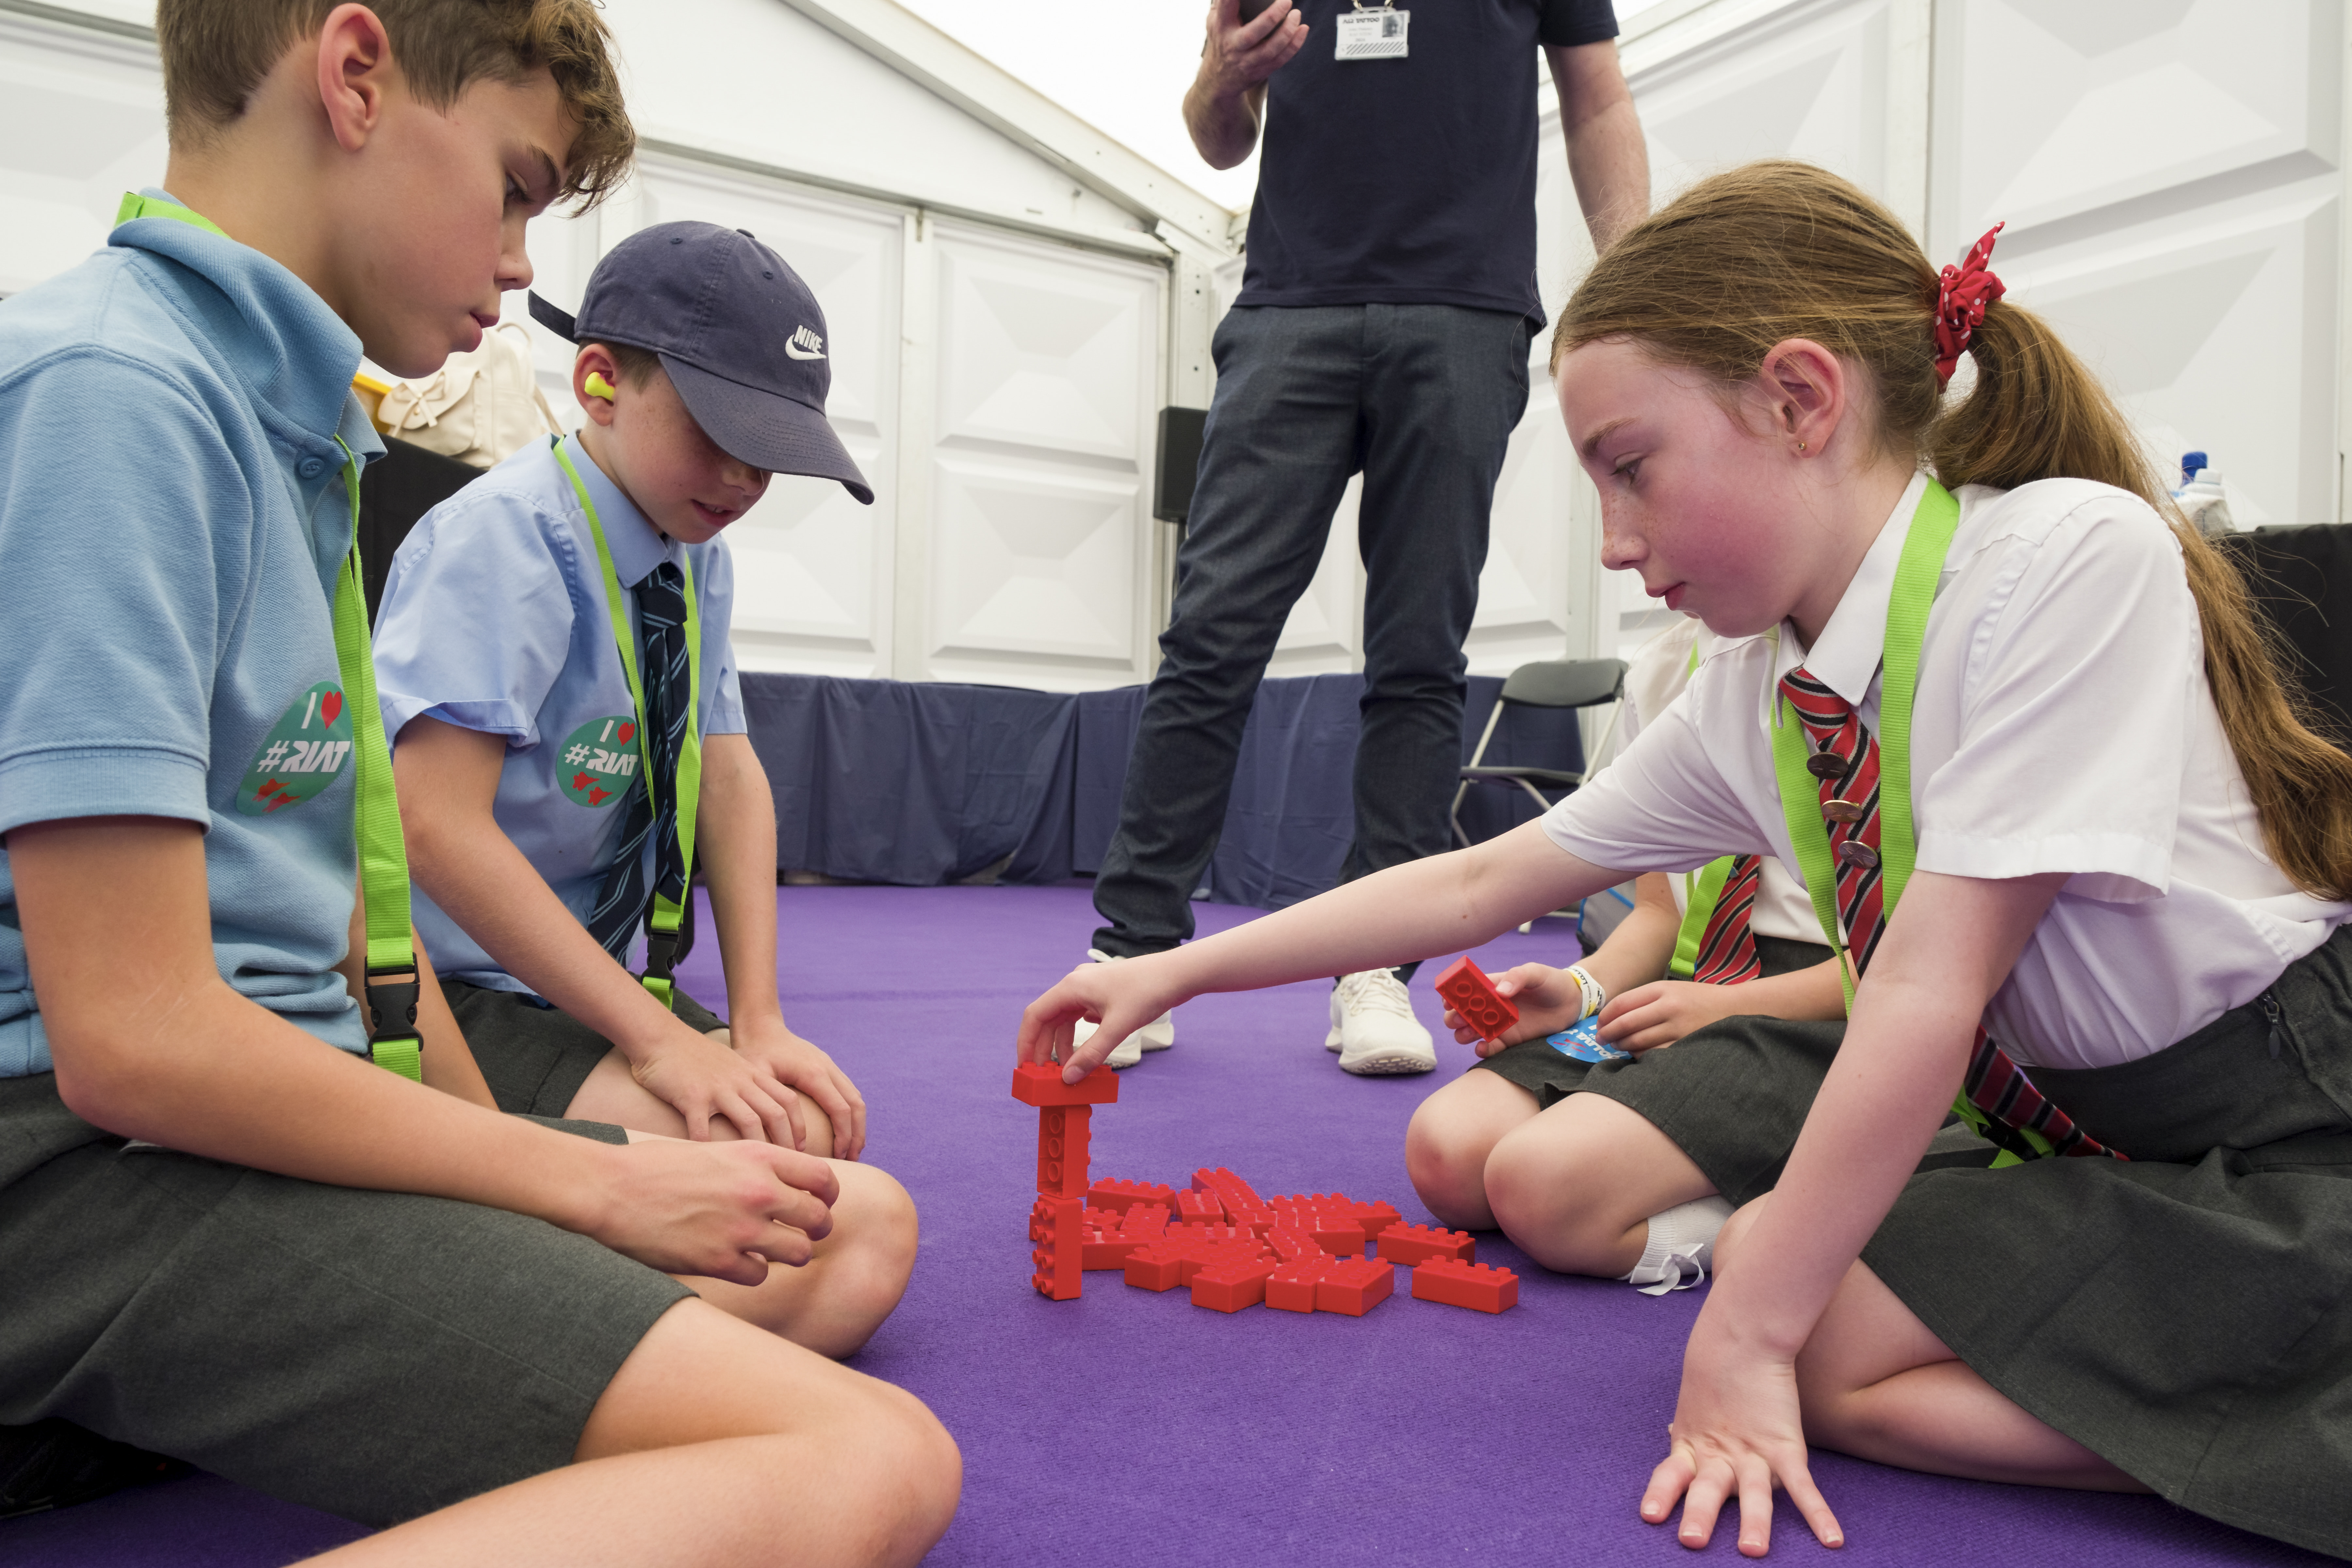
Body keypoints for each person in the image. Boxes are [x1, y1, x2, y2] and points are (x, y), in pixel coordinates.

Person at [1021, 159, 2352, 1562]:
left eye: (1630, 467)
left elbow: (1926, 989)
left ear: (1800, 399)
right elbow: (1485, 882)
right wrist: (1173, 970)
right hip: (2084, 1131)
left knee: (1802, 1333)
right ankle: (2228, 1399)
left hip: (2285, 1125)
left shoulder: (2066, 560)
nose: (1612, 545)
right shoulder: (1756, 686)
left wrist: (1744, 1337)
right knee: (1803, 1305)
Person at [0, 4, 957, 1562]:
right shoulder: (119, 390)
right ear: (357, 72)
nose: (519, 260)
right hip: (90, 1160)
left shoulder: (291, 428)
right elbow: (127, 1042)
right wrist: (576, 1184)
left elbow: (345, 901)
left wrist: (526, 1177)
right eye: (515, 187)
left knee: (840, 1236)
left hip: (268, 1111)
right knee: (863, 1460)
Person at [1074, 0, 1651, 1076]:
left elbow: (1599, 97)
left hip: (1464, 309)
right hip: (1294, 305)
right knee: (1211, 637)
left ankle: (1376, 970)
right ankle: (1134, 950)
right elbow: (1218, 134)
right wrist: (1217, 77)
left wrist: (1635, 281)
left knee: (1420, 657)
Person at [374, 224, 914, 1355]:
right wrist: (660, 1042)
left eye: (771, 457)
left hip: (585, 988)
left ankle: (530, 1273)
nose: (742, 481)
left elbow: (729, 775)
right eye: (719, 436)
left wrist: (755, 1020)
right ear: (600, 384)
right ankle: (486, 1306)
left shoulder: (691, 551)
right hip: (467, 998)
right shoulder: (510, 539)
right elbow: (429, 825)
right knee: (844, 1224)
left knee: (809, 1141)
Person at [1404, 616, 1843, 1291]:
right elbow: (1660, 912)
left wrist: (1725, 1007)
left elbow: (1919, 964)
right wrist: (1581, 989)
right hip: (1689, 981)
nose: (1617, 551)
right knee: (1449, 1154)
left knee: (1542, 1188)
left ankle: (1775, 1204)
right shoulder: (1668, 663)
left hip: (1823, 995)